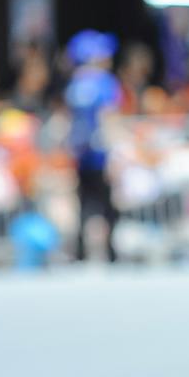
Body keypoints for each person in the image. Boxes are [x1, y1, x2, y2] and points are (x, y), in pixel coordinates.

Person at [63, 30, 121, 263]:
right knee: (108, 205)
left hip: (80, 153)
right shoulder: (105, 83)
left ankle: (80, 252)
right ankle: (110, 252)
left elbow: (69, 120)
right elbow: (109, 119)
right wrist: (115, 155)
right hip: (100, 154)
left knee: (84, 204)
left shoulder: (75, 84)